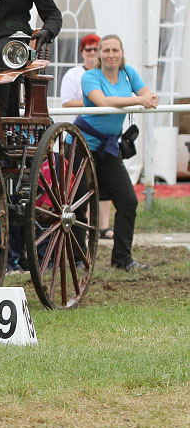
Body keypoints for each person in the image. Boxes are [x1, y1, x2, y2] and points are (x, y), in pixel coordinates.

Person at [74, 34, 157, 272]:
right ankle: (79, 259)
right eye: (106, 50)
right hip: (81, 144)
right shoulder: (90, 76)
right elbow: (101, 102)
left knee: (128, 201)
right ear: (99, 54)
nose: (111, 54)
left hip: (109, 147)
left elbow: (147, 94)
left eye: (115, 50)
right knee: (79, 203)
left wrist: (147, 97)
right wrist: (138, 99)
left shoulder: (129, 73)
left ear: (122, 53)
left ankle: (122, 259)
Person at [61, 33, 113, 241]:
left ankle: (103, 226)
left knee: (105, 185)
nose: (92, 53)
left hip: (106, 139)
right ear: (82, 52)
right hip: (82, 136)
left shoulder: (108, 74)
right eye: (88, 49)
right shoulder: (74, 74)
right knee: (81, 190)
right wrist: (96, 100)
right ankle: (81, 236)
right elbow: (67, 102)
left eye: (95, 49)